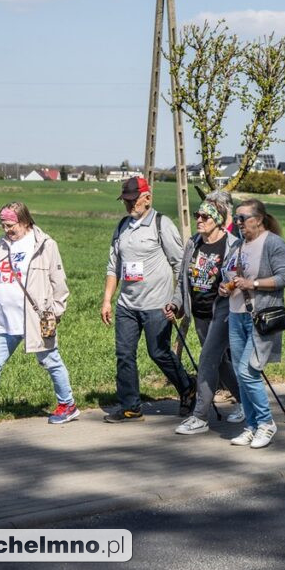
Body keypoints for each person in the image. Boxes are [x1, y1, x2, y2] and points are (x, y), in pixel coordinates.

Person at [0, 203, 78, 430]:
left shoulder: (45, 245)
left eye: (10, 225)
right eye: (3, 225)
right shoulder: (1, 244)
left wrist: (56, 312)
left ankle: (67, 405)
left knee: (50, 361)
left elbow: (59, 283)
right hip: (3, 319)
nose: (6, 229)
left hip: (35, 319)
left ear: (24, 221)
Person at [101, 176, 194, 423]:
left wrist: (179, 301)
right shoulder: (121, 227)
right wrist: (107, 300)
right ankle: (131, 406)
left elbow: (179, 265)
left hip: (157, 304)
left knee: (159, 352)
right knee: (124, 355)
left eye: (133, 200)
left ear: (147, 198)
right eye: (126, 201)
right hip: (127, 306)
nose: (130, 205)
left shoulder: (162, 224)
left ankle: (187, 388)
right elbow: (114, 267)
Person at [169, 201, 244, 435]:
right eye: (197, 215)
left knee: (207, 360)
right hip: (200, 312)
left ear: (218, 220)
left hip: (222, 311)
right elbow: (183, 279)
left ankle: (200, 416)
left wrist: (230, 287)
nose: (199, 220)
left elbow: (241, 275)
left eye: (204, 216)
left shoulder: (233, 245)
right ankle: (246, 401)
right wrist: (176, 303)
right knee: (220, 362)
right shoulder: (194, 242)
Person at [222, 199, 285, 449]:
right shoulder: (239, 245)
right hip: (236, 314)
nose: (238, 223)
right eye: (236, 219)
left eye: (243, 218)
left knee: (247, 371)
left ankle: (266, 423)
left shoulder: (273, 243)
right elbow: (228, 274)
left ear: (259, 219)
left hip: (260, 317)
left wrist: (254, 284)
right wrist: (225, 286)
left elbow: (284, 277)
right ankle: (251, 426)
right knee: (242, 378)